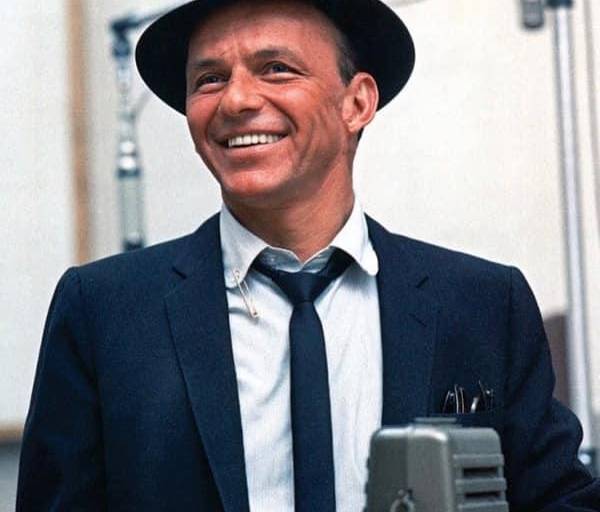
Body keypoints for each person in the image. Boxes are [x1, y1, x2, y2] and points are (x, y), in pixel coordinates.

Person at [17, 0, 600, 510]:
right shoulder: (103, 312)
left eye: (276, 68)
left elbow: (557, 498)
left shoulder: (482, 306)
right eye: (210, 79)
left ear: (357, 102)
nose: (237, 99)